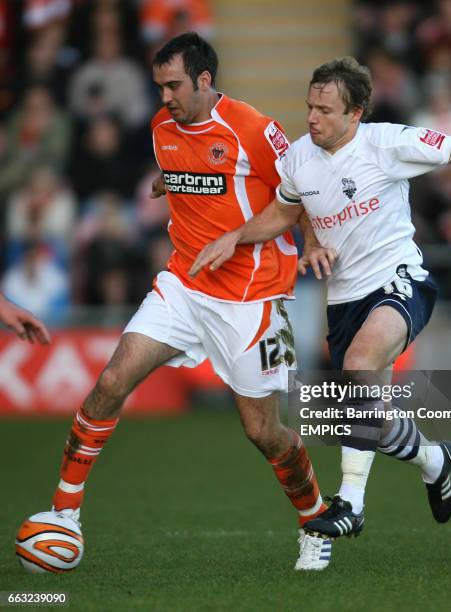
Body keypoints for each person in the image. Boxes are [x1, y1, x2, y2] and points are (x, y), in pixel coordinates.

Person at [190, 56, 451, 540]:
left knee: (359, 363)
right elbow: (286, 211)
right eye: (310, 107)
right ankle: (435, 460)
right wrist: (239, 236)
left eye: (326, 110)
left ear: (356, 114)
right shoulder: (297, 159)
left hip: (400, 279)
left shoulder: (386, 143)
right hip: (343, 298)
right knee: (369, 411)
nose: (312, 118)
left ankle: (350, 502)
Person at [47, 33, 331, 572]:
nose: (165, 97)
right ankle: (63, 512)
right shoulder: (161, 129)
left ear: (204, 79)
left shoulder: (252, 128)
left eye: (174, 85)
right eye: (159, 87)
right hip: (183, 283)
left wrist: (312, 242)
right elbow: (191, 174)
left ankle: (315, 518)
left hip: (253, 294)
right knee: (111, 381)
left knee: (262, 432)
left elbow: (300, 190)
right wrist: (168, 182)